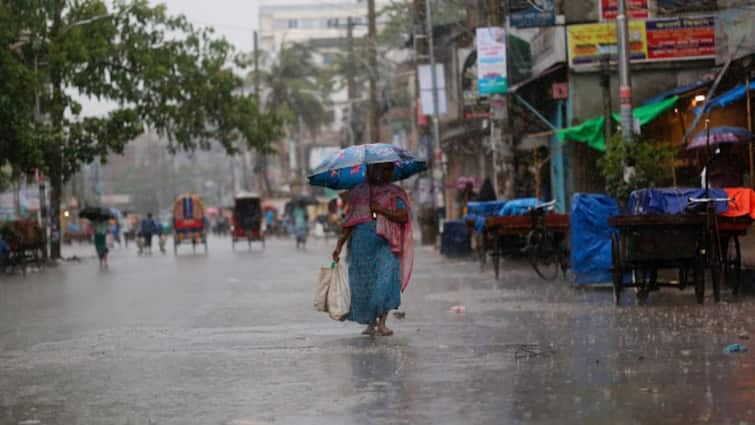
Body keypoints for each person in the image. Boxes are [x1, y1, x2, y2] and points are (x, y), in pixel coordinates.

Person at [332, 162, 415, 337]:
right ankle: (371, 322)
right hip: (362, 245)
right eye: (382, 169)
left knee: (387, 279)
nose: (386, 173)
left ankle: (383, 322)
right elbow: (350, 220)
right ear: (372, 170)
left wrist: (381, 210)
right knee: (365, 285)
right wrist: (339, 246)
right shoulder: (359, 193)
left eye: (389, 170)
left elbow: (403, 216)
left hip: (386, 242)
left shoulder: (395, 193)